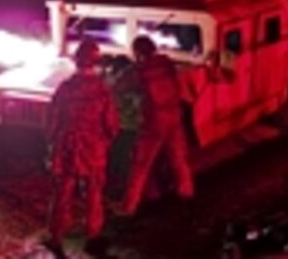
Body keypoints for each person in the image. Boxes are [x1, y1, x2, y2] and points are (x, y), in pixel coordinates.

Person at [46, 40, 120, 256]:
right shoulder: (102, 90)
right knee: (94, 193)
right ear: (96, 63)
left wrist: (54, 143)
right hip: (94, 149)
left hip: (68, 147)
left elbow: (51, 120)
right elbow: (112, 125)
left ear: (76, 62)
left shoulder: (65, 89)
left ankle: (57, 238)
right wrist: (104, 142)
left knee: (63, 193)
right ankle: (93, 236)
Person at [119, 36, 195, 215]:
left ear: (138, 53)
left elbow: (120, 86)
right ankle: (187, 193)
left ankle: (129, 207)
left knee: (141, 164)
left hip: (154, 123)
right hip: (174, 117)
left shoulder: (139, 70)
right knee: (178, 159)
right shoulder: (166, 63)